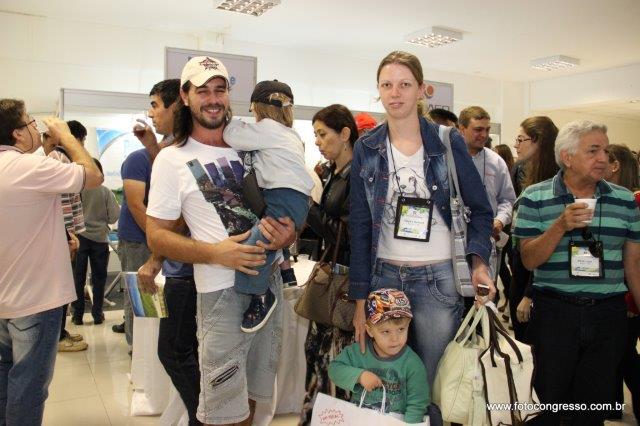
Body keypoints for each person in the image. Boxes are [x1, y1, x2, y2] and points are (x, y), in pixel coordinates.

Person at [145, 56, 296, 426]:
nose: (213, 99)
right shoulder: (172, 159)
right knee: (223, 409)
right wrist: (215, 253)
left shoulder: (251, 144)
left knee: (255, 398)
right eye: (203, 91)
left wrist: (290, 233)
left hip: (269, 285)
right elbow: (157, 235)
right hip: (220, 295)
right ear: (185, 97)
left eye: (220, 89)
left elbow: (287, 202)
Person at [349, 51, 494, 426]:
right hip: (384, 279)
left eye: (404, 84)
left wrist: (479, 262)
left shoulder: (447, 142)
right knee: (387, 386)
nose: (394, 93)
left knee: (433, 388)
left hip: (437, 281)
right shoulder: (367, 147)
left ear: (421, 90)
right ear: (378, 90)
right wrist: (359, 299)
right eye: (386, 85)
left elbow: (481, 210)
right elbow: (360, 227)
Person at [512, 120, 640, 426]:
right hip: (555, 313)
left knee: (592, 410)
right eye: (593, 151)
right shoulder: (534, 197)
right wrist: (560, 225)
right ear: (567, 157)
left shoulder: (625, 200)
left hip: (608, 315)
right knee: (546, 405)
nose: (603, 158)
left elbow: (634, 265)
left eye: (605, 151)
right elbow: (529, 260)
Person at [0, 100, 103, 425]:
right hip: (35, 299)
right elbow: (93, 176)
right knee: (28, 388)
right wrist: (67, 137)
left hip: (5, 299)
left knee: (4, 382)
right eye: (31, 123)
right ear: (17, 134)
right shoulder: (30, 167)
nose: (37, 128)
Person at [128, 78, 202, 426]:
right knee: (184, 350)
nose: (151, 113)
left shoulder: (189, 148)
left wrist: (156, 257)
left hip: (185, 270)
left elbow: (182, 212)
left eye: (156, 105)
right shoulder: (175, 148)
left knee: (173, 351)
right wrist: (152, 146)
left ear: (177, 105)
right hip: (184, 268)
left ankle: (204, 417)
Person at [223, 79, 314, 333]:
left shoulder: (267, 129)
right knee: (271, 234)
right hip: (294, 199)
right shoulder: (290, 134)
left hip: (283, 196)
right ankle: (286, 274)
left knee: (255, 246)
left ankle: (261, 296)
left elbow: (231, 135)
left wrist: (230, 118)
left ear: (257, 107)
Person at [299, 104, 358, 425]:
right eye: (316, 135)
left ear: (345, 134)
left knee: (333, 361)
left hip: (346, 282)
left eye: (323, 134)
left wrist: (308, 207)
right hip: (334, 276)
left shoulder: (357, 176)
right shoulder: (336, 173)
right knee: (317, 355)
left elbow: (345, 235)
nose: (318, 142)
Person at [328, 289, 429, 424]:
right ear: (370, 330)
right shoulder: (358, 352)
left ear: (408, 325)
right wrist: (360, 376)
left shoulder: (413, 363)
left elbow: (418, 403)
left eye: (401, 329)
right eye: (386, 331)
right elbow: (334, 369)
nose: (395, 338)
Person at [458, 106, 516, 308]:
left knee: (483, 298)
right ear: (461, 129)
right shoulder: (449, 160)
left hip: (485, 238)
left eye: (487, 129)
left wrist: (500, 220)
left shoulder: (496, 162)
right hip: (455, 239)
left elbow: (507, 199)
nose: (483, 135)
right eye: (478, 129)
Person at [510, 116, 559, 341]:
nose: (516, 145)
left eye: (521, 139)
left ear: (538, 141)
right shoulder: (527, 177)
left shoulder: (553, 186)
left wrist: (530, 293)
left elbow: (549, 244)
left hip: (536, 279)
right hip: (520, 269)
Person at [42, 122, 89, 351]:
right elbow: (60, 203)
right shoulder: (57, 159)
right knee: (61, 287)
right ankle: (58, 337)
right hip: (63, 235)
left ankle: (61, 331)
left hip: (66, 234)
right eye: (82, 140)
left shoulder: (63, 159)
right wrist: (68, 235)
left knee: (66, 285)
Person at [603, 144, 640, 422]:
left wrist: (630, 298)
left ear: (615, 165)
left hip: (628, 292)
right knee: (615, 353)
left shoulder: (633, 201)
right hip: (622, 290)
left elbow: (632, 258)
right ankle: (612, 405)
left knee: (623, 353)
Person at [72, 158, 120, 325]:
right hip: (100, 239)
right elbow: (114, 216)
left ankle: (77, 315)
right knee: (99, 279)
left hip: (79, 238)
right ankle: (97, 314)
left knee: (77, 278)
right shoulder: (105, 191)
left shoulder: (75, 190)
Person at [492, 144, 515, 313]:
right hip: (501, 226)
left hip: (502, 227)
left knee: (500, 266)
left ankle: (508, 295)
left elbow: (509, 200)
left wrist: (500, 220)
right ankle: (506, 295)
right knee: (500, 267)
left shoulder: (508, 173)